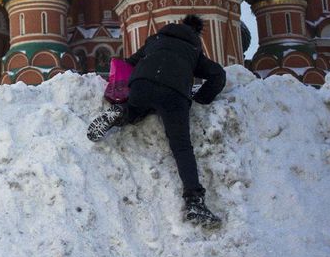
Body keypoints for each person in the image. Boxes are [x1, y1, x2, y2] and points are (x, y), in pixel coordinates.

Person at [87, 14, 227, 228]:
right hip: (173, 93)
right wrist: (202, 98)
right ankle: (194, 202)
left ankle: (121, 113)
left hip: (141, 84)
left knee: (136, 109)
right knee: (181, 147)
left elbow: (129, 63)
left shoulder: (155, 40)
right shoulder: (193, 49)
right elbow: (218, 75)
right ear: (196, 34)